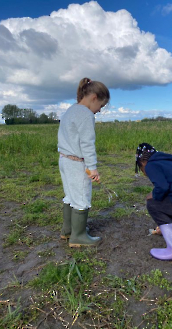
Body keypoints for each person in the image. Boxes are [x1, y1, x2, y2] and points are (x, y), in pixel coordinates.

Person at [58, 77, 110, 247]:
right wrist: (92, 168)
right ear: (94, 97)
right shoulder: (86, 114)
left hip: (64, 160)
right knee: (81, 197)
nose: (100, 110)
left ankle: (68, 231)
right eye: (101, 106)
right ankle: (78, 236)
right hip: (76, 163)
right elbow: (87, 144)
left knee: (70, 195)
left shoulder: (71, 110)